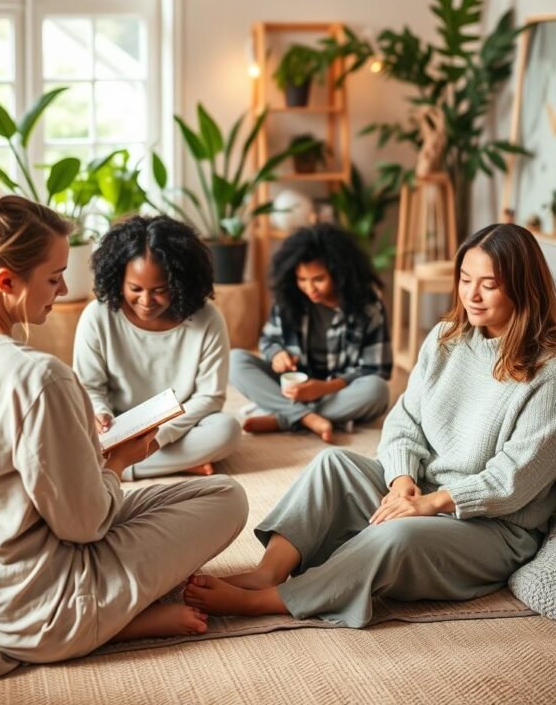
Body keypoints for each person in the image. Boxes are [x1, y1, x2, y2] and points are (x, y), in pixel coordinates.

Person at [184, 223, 556, 628]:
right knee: (333, 464)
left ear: (523, 287)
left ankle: (274, 600)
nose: (472, 295)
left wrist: (430, 504)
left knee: (394, 537)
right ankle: (266, 572)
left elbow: (513, 481)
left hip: (493, 527)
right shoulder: (446, 338)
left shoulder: (548, 372)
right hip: (426, 493)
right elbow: (405, 417)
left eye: (490, 284)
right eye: (466, 279)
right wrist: (401, 479)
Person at [0, 174, 248, 683]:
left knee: (217, 482)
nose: (64, 289)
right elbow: (86, 526)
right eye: (55, 276)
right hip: (44, 605)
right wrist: (117, 461)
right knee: (231, 500)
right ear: (7, 282)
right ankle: (113, 622)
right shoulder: (37, 377)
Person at [74, 214, 242, 478]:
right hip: (117, 427)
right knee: (65, 427)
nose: (146, 300)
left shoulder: (208, 319)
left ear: (180, 283)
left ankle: (117, 468)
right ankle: (176, 464)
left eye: (160, 289)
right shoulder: (97, 316)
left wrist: (160, 437)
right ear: (118, 279)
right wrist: (101, 416)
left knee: (227, 430)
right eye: (135, 288)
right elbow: (89, 387)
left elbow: (210, 397)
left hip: (176, 426)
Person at [230, 223, 391, 443]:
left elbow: (376, 369)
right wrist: (277, 355)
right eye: (302, 280)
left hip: (337, 391)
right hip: (291, 388)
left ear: (339, 273)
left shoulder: (368, 306)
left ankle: (283, 418)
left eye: (318, 279)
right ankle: (306, 417)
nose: (309, 288)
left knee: (378, 391)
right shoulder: (290, 298)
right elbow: (269, 339)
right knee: (235, 361)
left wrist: (323, 388)